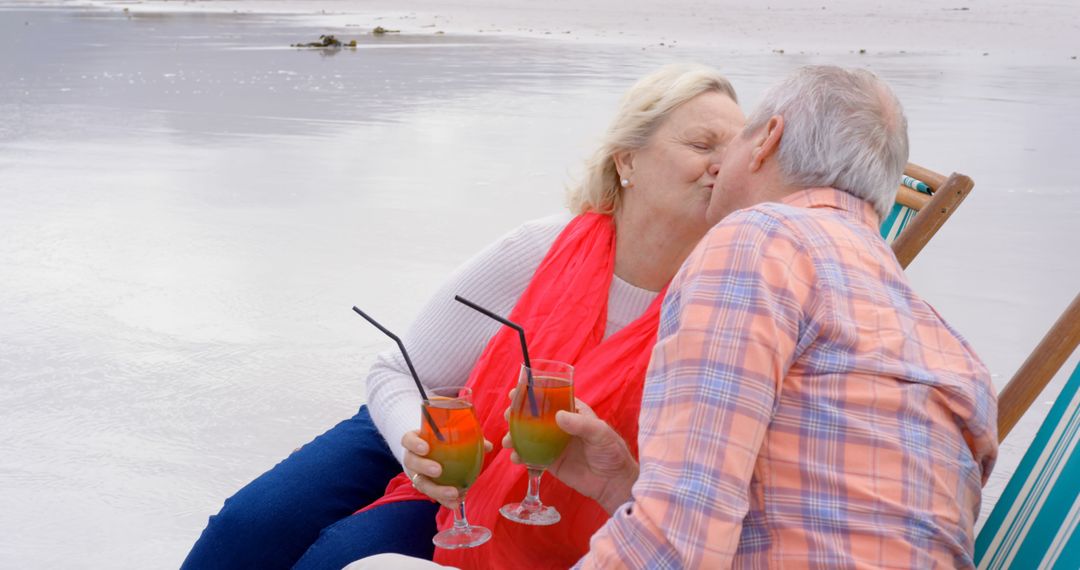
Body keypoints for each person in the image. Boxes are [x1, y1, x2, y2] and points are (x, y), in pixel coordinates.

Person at [181, 63, 746, 570]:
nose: (724, 164)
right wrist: (416, 449)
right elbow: (397, 372)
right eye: (702, 144)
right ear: (627, 159)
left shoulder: (731, 299)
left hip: (568, 496)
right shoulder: (541, 247)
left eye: (738, 149)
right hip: (436, 425)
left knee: (338, 556)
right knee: (247, 528)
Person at [547, 65, 999, 568]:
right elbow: (827, 517)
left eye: (736, 139)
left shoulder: (758, 240)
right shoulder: (942, 339)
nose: (720, 164)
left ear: (766, 140)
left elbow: (677, 548)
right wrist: (620, 484)